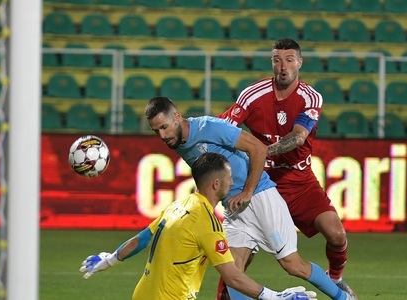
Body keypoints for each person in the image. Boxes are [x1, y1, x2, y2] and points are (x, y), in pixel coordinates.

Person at [140, 96, 356, 300]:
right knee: (233, 274)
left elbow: (258, 149)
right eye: (156, 130)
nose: (162, 135)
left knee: (292, 265)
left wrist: (248, 191)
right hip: (234, 209)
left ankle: (343, 297)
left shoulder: (209, 127)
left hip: (260, 198)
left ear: (177, 116)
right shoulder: (178, 143)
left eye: (164, 127)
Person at [217, 38, 357, 299]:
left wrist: (260, 152)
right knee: (236, 265)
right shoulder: (252, 95)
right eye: (277, 60)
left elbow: (298, 137)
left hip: (299, 182)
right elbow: (225, 127)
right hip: (260, 184)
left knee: (337, 235)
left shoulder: (310, 97)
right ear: (272, 62)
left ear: (300, 63)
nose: (283, 66)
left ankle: (335, 280)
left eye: (289, 60)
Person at [79, 152, 317, 300]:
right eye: (229, 178)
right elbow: (233, 277)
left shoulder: (177, 205)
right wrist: (276, 297)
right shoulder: (208, 224)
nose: (233, 182)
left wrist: (109, 259)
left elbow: (141, 240)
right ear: (216, 184)